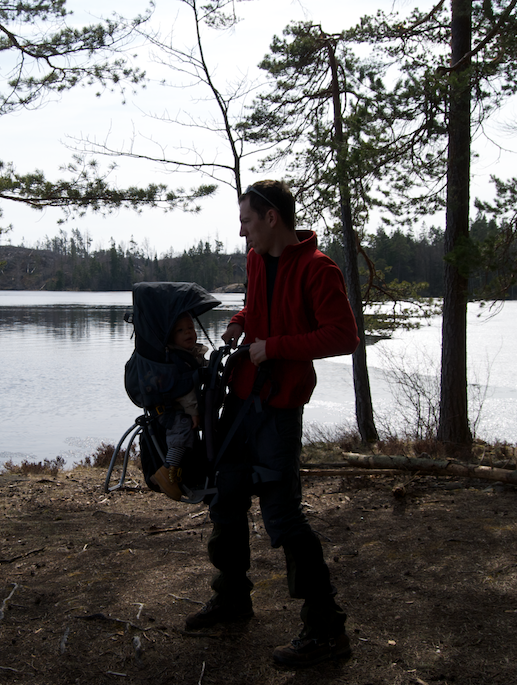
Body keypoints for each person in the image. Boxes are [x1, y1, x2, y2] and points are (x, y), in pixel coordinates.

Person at [184, 180, 360, 668]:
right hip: (241, 399)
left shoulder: (319, 269)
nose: (242, 231)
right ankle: (233, 597)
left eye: (246, 221)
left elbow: (343, 336)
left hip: (280, 408)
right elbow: (260, 308)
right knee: (226, 497)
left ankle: (327, 630)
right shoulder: (257, 260)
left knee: (282, 517)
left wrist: (275, 347)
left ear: (271, 218)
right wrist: (242, 321)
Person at [151, 312, 208, 501]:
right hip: (172, 410)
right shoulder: (176, 359)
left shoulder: (190, 354)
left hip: (180, 407)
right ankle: (167, 472)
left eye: (191, 328)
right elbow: (186, 391)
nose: (188, 333)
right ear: (172, 337)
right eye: (181, 330)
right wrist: (194, 413)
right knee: (182, 431)